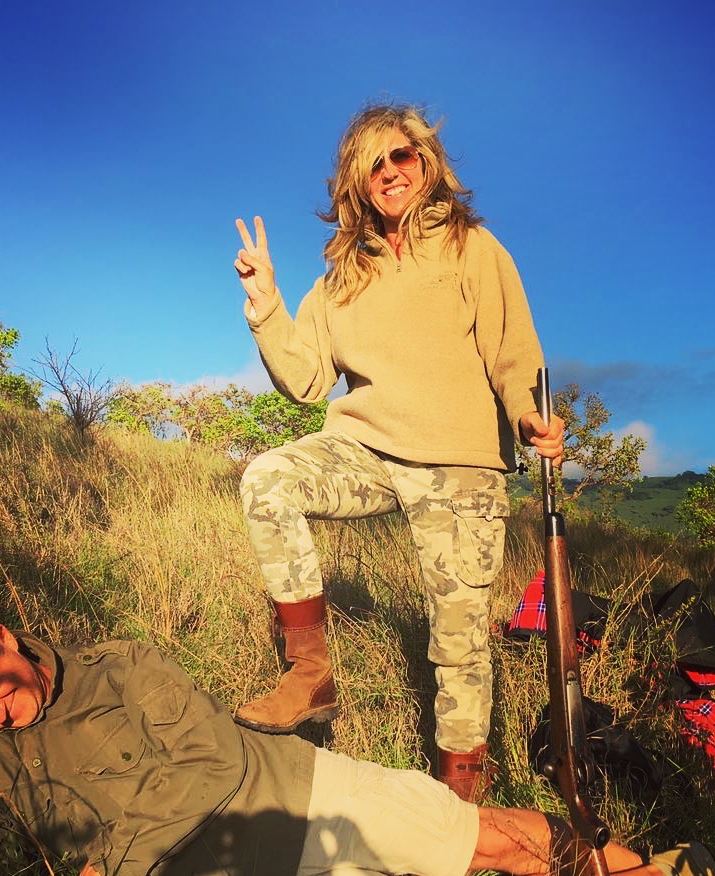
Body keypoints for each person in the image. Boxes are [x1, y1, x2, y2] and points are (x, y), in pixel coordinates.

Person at [0, 615, 715, 876]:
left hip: (302, 795)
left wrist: (106, 866)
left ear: (8, 639)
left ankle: (647, 863)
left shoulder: (119, 668)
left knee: (477, 839)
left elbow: (212, 767)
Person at [232, 102, 565, 800]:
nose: (390, 171)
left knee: (459, 645)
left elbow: (513, 354)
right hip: (365, 452)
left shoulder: (474, 248)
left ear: (427, 164)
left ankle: (458, 808)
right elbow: (305, 380)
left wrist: (533, 419)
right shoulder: (341, 276)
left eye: (402, 157)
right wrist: (267, 305)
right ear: (355, 181)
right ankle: (310, 675)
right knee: (268, 479)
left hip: (461, 467)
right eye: (374, 163)